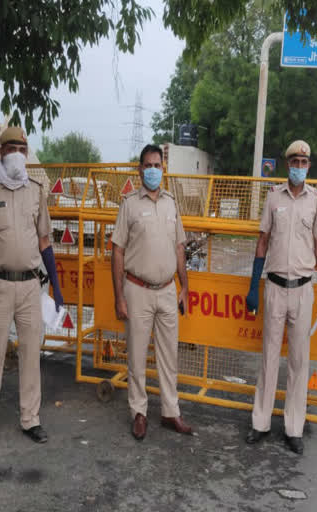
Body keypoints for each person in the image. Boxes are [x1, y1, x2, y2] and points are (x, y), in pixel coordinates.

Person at [0, 126, 63, 450]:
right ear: (1, 152)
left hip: (30, 287)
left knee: (31, 354)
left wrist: (57, 287)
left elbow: (45, 241)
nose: (17, 153)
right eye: (11, 148)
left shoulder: (35, 190)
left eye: (22, 148)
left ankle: (30, 418)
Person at [244, 140, 317, 454]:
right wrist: (254, 285)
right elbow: (262, 242)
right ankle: (260, 422)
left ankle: (294, 428)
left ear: (309, 166)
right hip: (275, 288)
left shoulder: (316, 200)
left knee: (298, 360)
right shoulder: (273, 198)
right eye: (293, 161)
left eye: (303, 161)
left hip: (304, 290)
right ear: (287, 165)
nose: (298, 166)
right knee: (268, 357)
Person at [110, 144, 192, 441]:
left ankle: (171, 412)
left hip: (169, 291)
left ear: (163, 168)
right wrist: (119, 296)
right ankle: (139, 413)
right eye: (148, 165)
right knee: (136, 356)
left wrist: (185, 287)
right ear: (140, 169)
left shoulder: (171, 203)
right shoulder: (129, 204)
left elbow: (179, 247)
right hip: (138, 290)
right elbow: (117, 252)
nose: (154, 170)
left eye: (158, 165)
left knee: (169, 355)